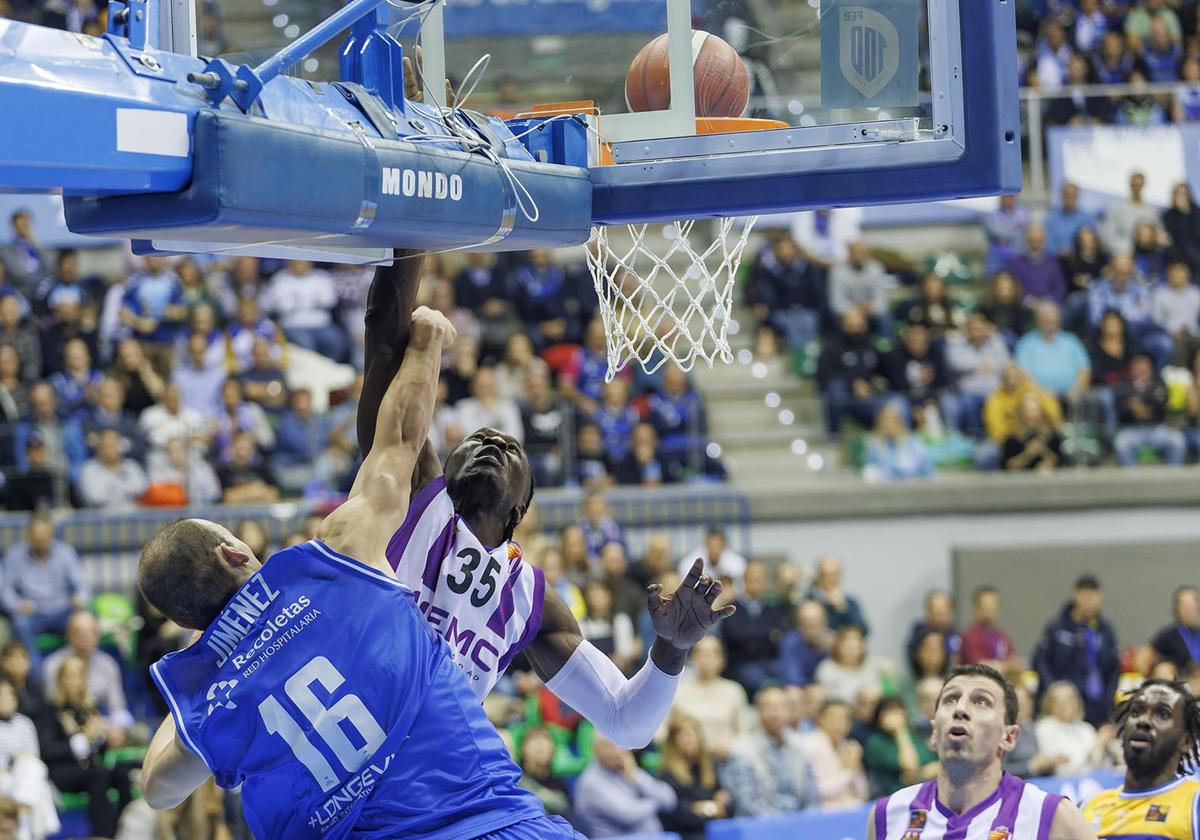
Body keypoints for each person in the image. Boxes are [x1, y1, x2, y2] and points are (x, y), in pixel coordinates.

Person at [134, 304, 583, 837]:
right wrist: (427, 345)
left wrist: (206, 669)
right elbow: (398, 442)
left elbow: (156, 787)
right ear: (234, 555)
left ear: (187, 623)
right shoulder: (336, 559)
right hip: (489, 821)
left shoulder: (214, 707)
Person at [359, 257, 735, 749]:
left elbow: (627, 723)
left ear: (519, 510)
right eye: (477, 441)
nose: (493, 442)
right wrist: (410, 237)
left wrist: (669, 651)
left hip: (424, 764)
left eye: (510, 448)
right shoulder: (410, 494)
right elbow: (384, 344)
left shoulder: (527, 599)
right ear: (447, 472)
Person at [866, 664, 1096, 839]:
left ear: (1009, 737)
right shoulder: (888, 815)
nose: (960, 709)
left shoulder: (1052, 814)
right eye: (950, 699)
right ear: (934, 731)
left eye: (981, 702)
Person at [1082, 678, 1200, 839]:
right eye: (1136, 712)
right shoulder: (1088, 805)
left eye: (1162, 714)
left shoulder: (1194, 801)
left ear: (1186, 741)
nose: (1143, 721)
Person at [1, 517, 89, 668]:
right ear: (28, 536)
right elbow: (4, 589)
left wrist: (80, 598)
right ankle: (36, 674)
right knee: (20, 623)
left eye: (44, 537)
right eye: (37, 538)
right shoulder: (15, 556)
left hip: (61, 610)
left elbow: (81, 584)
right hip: (32, 612)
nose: (41, 541)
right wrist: (16, 605)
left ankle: (81, 669)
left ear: (51, 535)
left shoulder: (65, 552)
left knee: (84, 621)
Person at [1034, 574, 1121, 727]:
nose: (1089, 600)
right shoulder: (1057, 626)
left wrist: (1108, 700)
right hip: (1064, 703)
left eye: (1093, 595)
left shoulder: (1105, 629)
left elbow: (1114, 668)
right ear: (1076, 595)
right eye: (1085, 595)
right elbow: (1041, 662)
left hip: (1097, 704)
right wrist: (1053, 691)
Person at [720, 686, 818, 817]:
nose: (774, 713)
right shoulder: (743, 751)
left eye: (780, 706)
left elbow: (812, 795)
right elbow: (749, 804)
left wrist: (805, 821)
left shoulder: (801, 746)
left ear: (789, 712)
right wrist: (782, 826)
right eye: (768, 707)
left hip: (800, 824)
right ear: (758, 712)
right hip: (761, 827)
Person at [573, 733, 677, 837]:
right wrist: (658, 801)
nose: (614, 751)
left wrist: (637, 779)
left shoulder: (628, 770)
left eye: (618, 745)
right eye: (607, 746)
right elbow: (629, 815)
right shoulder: (591, 782)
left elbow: (670, 799)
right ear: (595, 750)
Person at [667, 636, 753, 761]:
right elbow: (663, 731)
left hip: (725, 760)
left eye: (713, 653)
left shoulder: (734, 691)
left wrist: (731, 745)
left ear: (722, 659)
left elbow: (745, 733)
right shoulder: (678, 690)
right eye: (702, 653)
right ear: (693, 658)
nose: (707, 658)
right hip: (685, 760)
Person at [657, 715, 732, 840]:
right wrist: (714, 808)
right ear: (673, 741)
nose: (692, 739)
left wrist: (706, 808)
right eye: (686, 735)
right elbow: (683, 816)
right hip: (686, 836)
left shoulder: (708, 768)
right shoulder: (666, 776)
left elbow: (728, 802)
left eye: (695, 734)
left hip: (714, 832)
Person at [719, 561, 787, 695]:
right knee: (756, 679)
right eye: (754, 579)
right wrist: (766, 635)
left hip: (770, 660)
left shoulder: (773, 607)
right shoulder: (732, 607)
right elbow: (736, 635)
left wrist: (752, 634)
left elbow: (779, 634)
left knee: (786, 676)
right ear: (744, 580)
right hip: (742, 662)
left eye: (761, 579)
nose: (758, 583)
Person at [798, 699, 869, 809]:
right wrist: (848, 772)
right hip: (821, 811)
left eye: (845, 718)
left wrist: (856, 765)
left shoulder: (847, 746)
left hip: (850, 808)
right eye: (835, 717)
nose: (841, 722)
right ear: (820, 719)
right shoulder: (809, 745)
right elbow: (816, 792)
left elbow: (863, 794)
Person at [1035, 681, 1114, 775]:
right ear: (1050, 705)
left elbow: (1101, 765)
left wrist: (1104, 747)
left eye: (1070, 699)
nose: (1066, 704)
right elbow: (1063, 769)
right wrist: (1098, 745)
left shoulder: (1086, 728)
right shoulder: (1045, 727)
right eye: (1059, 701)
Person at [864, 696, 937, 797]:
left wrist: (919, 773)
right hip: (894, 798)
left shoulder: (917, 735)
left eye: (898, 710)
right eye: (888, 711)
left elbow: (939, 765)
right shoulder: (876, 743)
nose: (895, 716)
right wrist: (899, 731)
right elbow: (910, 767)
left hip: (928, 794)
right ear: (879, 716)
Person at [960, 586, 1020, 673]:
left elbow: (1014, 663)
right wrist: (1006, 667)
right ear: (976, 608)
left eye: (994, 604)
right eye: (987, 605)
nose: (991, 609)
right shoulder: (970, 636)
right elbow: (980, 667)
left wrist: (1006, 667)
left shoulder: (1001, 635)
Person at [808, 554, 870, 634]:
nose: (831, 578)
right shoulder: (809, 600)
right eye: (826, 574)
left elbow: (863, 630)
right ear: (818, 576)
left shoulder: (849, 602)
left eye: (835, 574)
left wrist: (844, 609)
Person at [777, 599, 832, 687]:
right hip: (802, 688)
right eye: (807, 622)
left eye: (816, 621)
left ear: (824, 623)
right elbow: (792, 678)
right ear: (799, 625)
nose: (812, 627)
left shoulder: (834, 642)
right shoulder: (791, 642)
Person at [1150, 586, 1200, 671]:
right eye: (1187, 607)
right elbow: (1147, 656)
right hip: (1180, 681)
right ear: (1177, 609)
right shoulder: (1167, 636)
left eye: (1194, 606)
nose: (1191, 612)